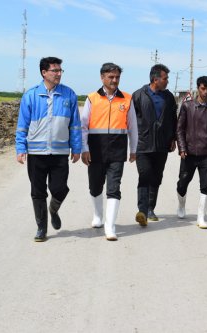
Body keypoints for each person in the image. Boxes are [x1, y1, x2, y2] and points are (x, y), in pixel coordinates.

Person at [16, 57, 81, 242]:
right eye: (55, 70)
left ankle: (53, 209)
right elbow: (22, 125)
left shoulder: (69, 95)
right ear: (44, 73)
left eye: (60, 70)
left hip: (60, 153)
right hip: (36, 153)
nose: (59, 74)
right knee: (38, 191)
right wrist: (20, 148)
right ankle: (41, 228)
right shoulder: (31, 96)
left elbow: (75, 125)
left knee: (60, 189)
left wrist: (76, 148)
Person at [80, 63, 138, 241]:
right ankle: (98, 216)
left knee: (114, 188)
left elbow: (133, 126)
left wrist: (133, 149)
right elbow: (83, 126)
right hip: (95, 150)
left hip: (117, 151)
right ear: (102, 77)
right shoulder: (92, 98)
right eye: (111, 77)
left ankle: (110, 226)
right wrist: (84, 148)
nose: (114, 80)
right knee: (95, 186)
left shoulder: (127, 99)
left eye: (117, 77)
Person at [132, 64, 177, 226]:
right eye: (165, 79)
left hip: (162, 145)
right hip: (143, 144)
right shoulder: (138, 96)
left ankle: (151, 208)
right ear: (155, 79)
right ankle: (142, 211)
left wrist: (173, 138)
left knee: (157, 176)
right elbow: (130, 121)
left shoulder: (169, 97)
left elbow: (173, 119)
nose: (167, 82)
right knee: (145, 175)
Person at [176, 76, 207, 229]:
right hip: (188, 153)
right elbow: (180, 129)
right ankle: (181, 205)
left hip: (206, 153)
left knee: (205, 185)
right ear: (198, 88)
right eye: (203, 88)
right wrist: (182, 148)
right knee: (182, 183)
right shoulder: (187, 106)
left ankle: (201, 217)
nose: (206, 91)